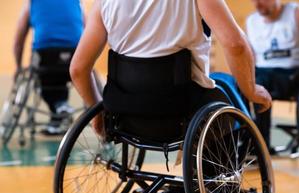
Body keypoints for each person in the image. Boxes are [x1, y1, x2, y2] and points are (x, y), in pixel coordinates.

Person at [70, 0, 271, 138]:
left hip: (126, 116)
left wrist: (98, 111)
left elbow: (78, 69)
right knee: (228, 86)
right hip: (183, 112)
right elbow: (236, 45)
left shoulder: (104, 2)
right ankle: (219, 179)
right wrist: (251, 90)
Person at [14, 0, 85, 135]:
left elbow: (18, 41)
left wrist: (18, 67)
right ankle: (59, 111)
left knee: (44, 75)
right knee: (63, 73)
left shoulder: (32, 3)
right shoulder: (76, 2)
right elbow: (87, 27)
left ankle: (59, 105)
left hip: (46, 58)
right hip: (75, 54)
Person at [246, 0, 299, 153]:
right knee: (249, 83)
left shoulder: (295, 13)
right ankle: (260, 146)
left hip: (293, 73)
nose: (257, 4)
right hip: (264, 73)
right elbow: (250, 57)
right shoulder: (251, 21)